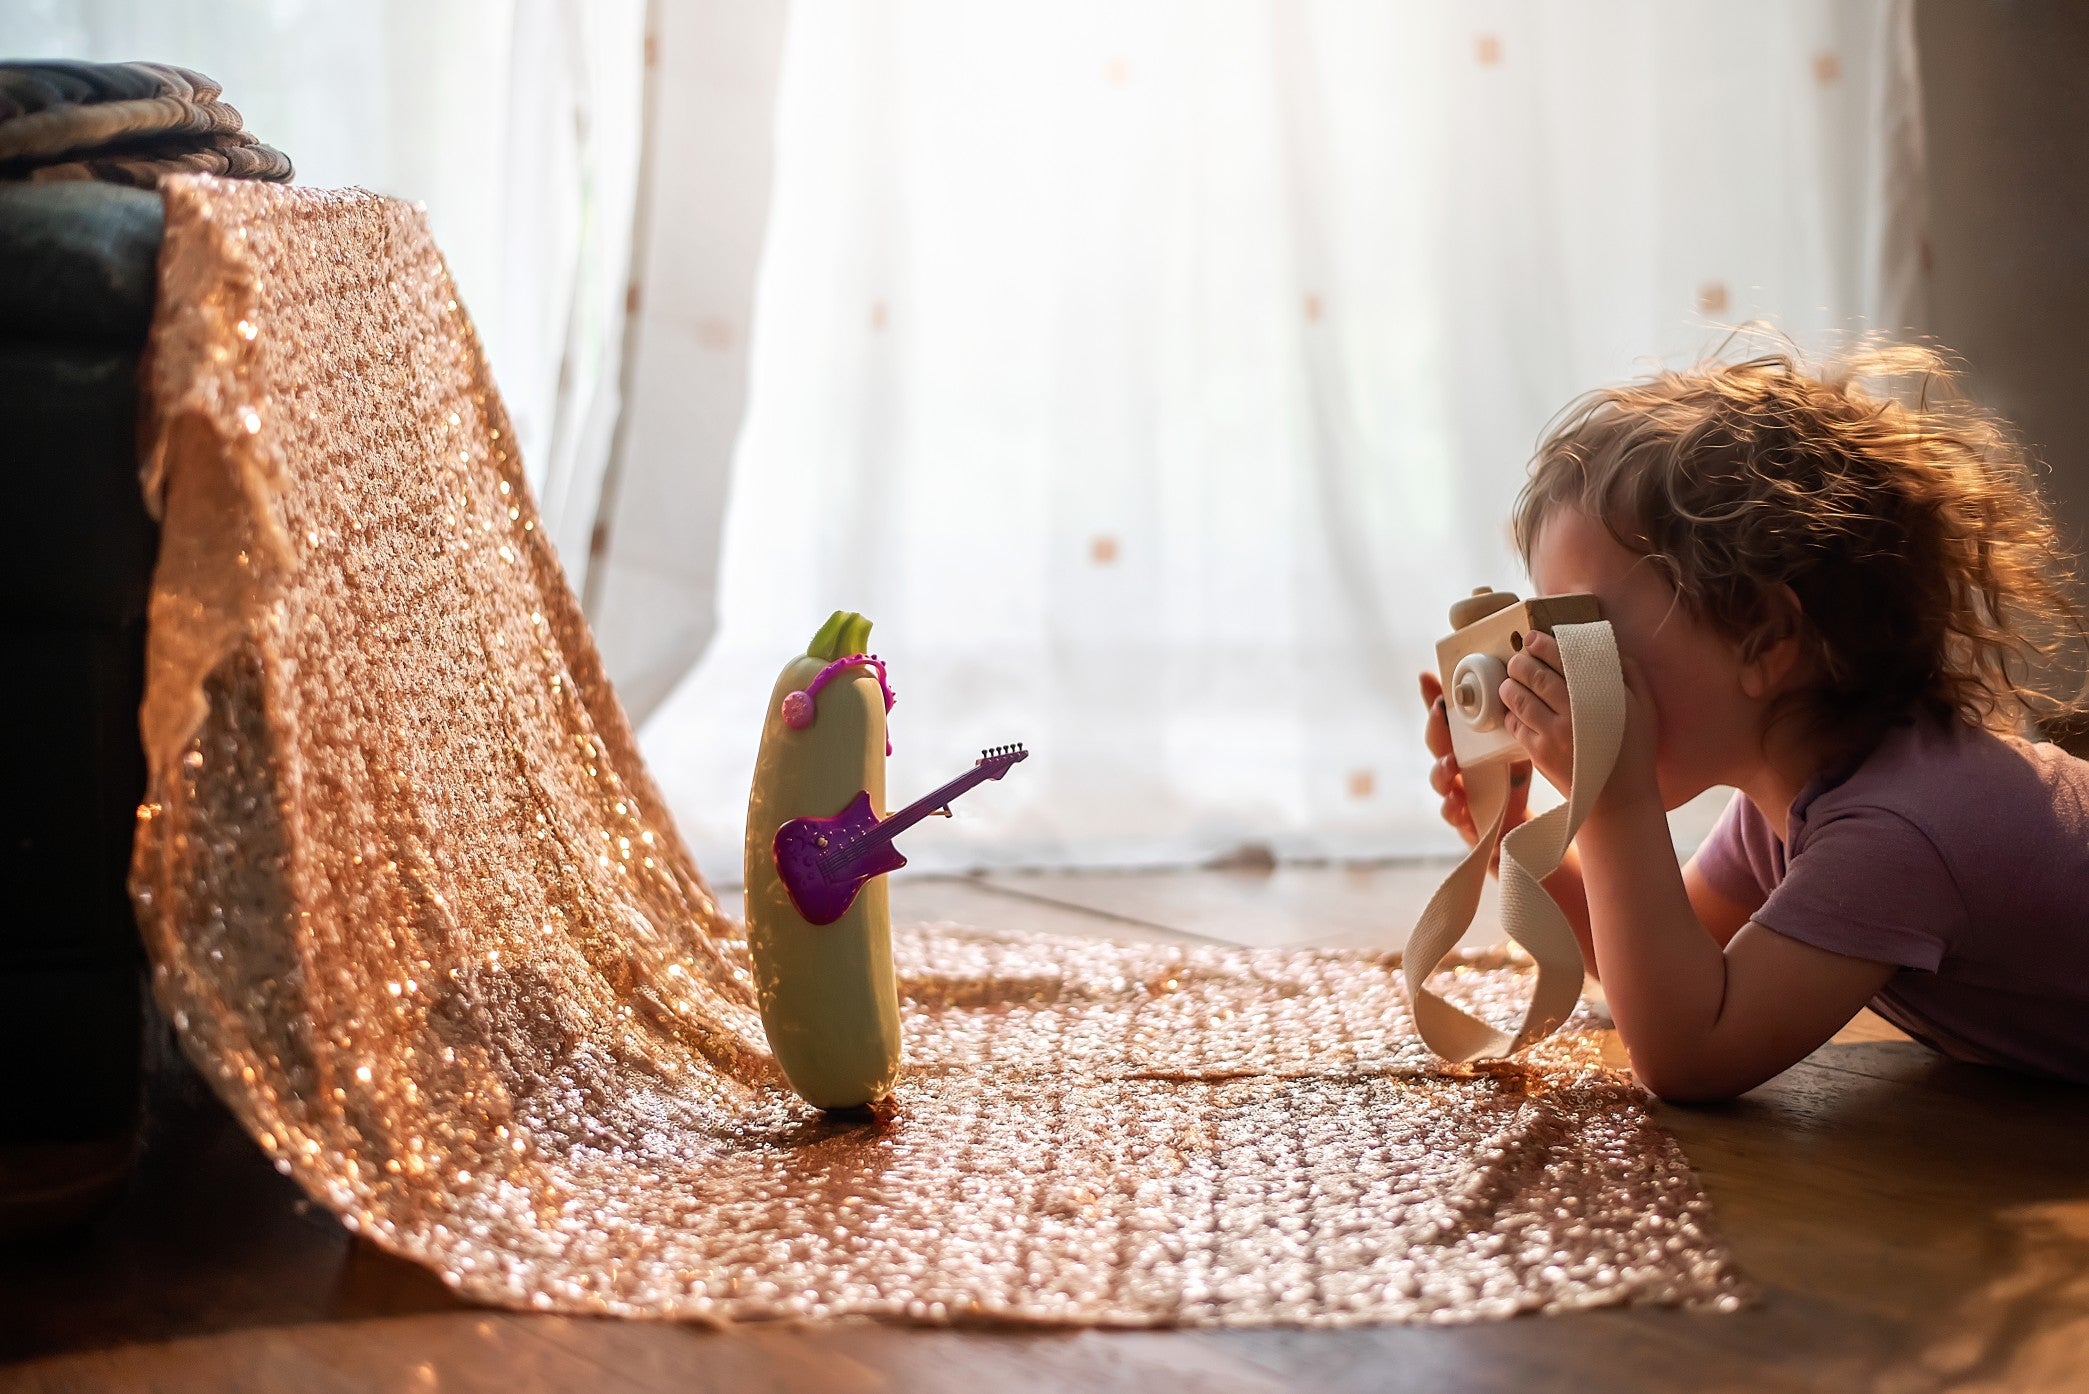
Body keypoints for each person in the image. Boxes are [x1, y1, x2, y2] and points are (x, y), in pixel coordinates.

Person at [1420, 343, 2089, 1100]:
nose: (1555, 661)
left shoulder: (1896, 833)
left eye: (1585, 625)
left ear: (1764, 638)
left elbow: (1691, 1054)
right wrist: (1516, 825)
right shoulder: (1796, 801)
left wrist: (1614, 803)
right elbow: (1670, 963)